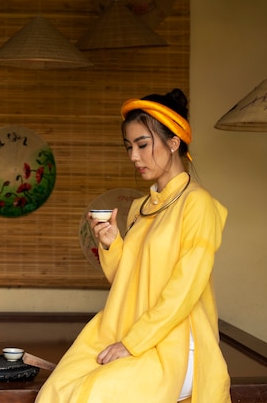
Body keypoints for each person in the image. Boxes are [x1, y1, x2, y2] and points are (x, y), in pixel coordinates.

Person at [35, 89, 231, 403]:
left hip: (176, 341)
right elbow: (127, 282)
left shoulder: (198, 204)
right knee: (56, 390)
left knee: (93, 395)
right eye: (129, 147)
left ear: (173, 142)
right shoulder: (142, 206)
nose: (133, 157)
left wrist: (132, 343)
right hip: (125, 328)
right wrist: (112, 243)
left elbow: (185, 289)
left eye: (142, 144)